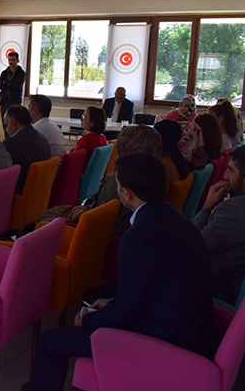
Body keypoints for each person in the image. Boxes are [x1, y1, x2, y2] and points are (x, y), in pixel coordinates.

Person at [22, 153, 218, 391]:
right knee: (95, 303)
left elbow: (126, 311)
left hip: (165, 342)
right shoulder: (179, 220)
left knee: (50, 342)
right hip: (191, 330)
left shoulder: (138, 237)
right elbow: (145, 289)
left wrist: (89, 319)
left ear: (126, 193)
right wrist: (111, 303)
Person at [195, 146, 245, 305]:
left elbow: (192, 246)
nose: (225, 175)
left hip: (209, 291)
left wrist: (206, 207)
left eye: (231, 170)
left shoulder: (233, 210)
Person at [2, 105, 51, 194]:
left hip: (21, 194)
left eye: (6, 125)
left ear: (13, 124)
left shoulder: (11, 144)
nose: (6, 129)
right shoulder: (42, 138)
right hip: (41, 192)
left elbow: (3, 173)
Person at [0, 51, 26, 139]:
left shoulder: (21, 73)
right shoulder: (4, 73)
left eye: (13, 60)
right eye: (9, 60)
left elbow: (17, 86)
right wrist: (9, 84)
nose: (11, 62)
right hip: (4, 101)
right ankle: (7, 141)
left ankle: (15, 141)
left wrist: (6, 83)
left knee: (14, 123)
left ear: (17, 61)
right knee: (5, 123)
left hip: (14, 102)